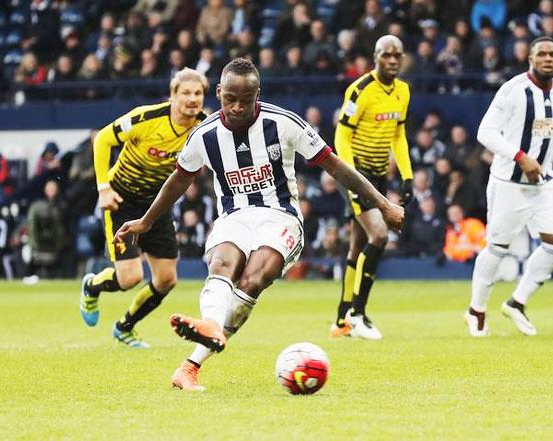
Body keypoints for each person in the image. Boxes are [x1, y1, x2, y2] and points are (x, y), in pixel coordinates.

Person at [113, 58, 404, 391]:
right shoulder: (203, 136)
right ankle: (199, 348)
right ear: (219, 93)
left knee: (253, 278)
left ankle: (200, 347)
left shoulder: (284, 123)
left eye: (245, 100)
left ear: (257, 94)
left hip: (279, 217)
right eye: (229, 99)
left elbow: (336, 167)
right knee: (222, 265)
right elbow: (178, 182)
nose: (237, 107)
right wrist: (146, 222)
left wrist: (384, 204)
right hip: (233, 217)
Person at [78, 68, 209, 348]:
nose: (192, 99)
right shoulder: (146, 118)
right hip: (122, 199)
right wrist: (103, 188)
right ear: (172, 96)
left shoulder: (204, 127)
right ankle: (92, 286)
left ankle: (124, 328)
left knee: (166, 279)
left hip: (157, 205)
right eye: (185, 93)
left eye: (198, 93)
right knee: (130, 277)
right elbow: (103, 139)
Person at [465, 36, 553, 337]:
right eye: (542, 54)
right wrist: (520, 156)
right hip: (508, 183)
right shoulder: (513, 90)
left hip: (545, 183)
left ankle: (517, 302)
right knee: (498, 248)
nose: (548, 58)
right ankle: (476, 310)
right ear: (530, 57)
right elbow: (485, 132)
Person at [330, 35, 413, 340]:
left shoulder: (403, 91)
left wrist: (407, 176)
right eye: (386, 55)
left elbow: (399, 136)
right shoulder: (361, 90)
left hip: (379, 173)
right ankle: (358, 314)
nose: (392, 61)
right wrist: (352, 177)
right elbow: (342, 136)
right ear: (375, 56)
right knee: (379, 234)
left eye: (397, 56)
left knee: (357, 244)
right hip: (356, 172)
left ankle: (341, 320)